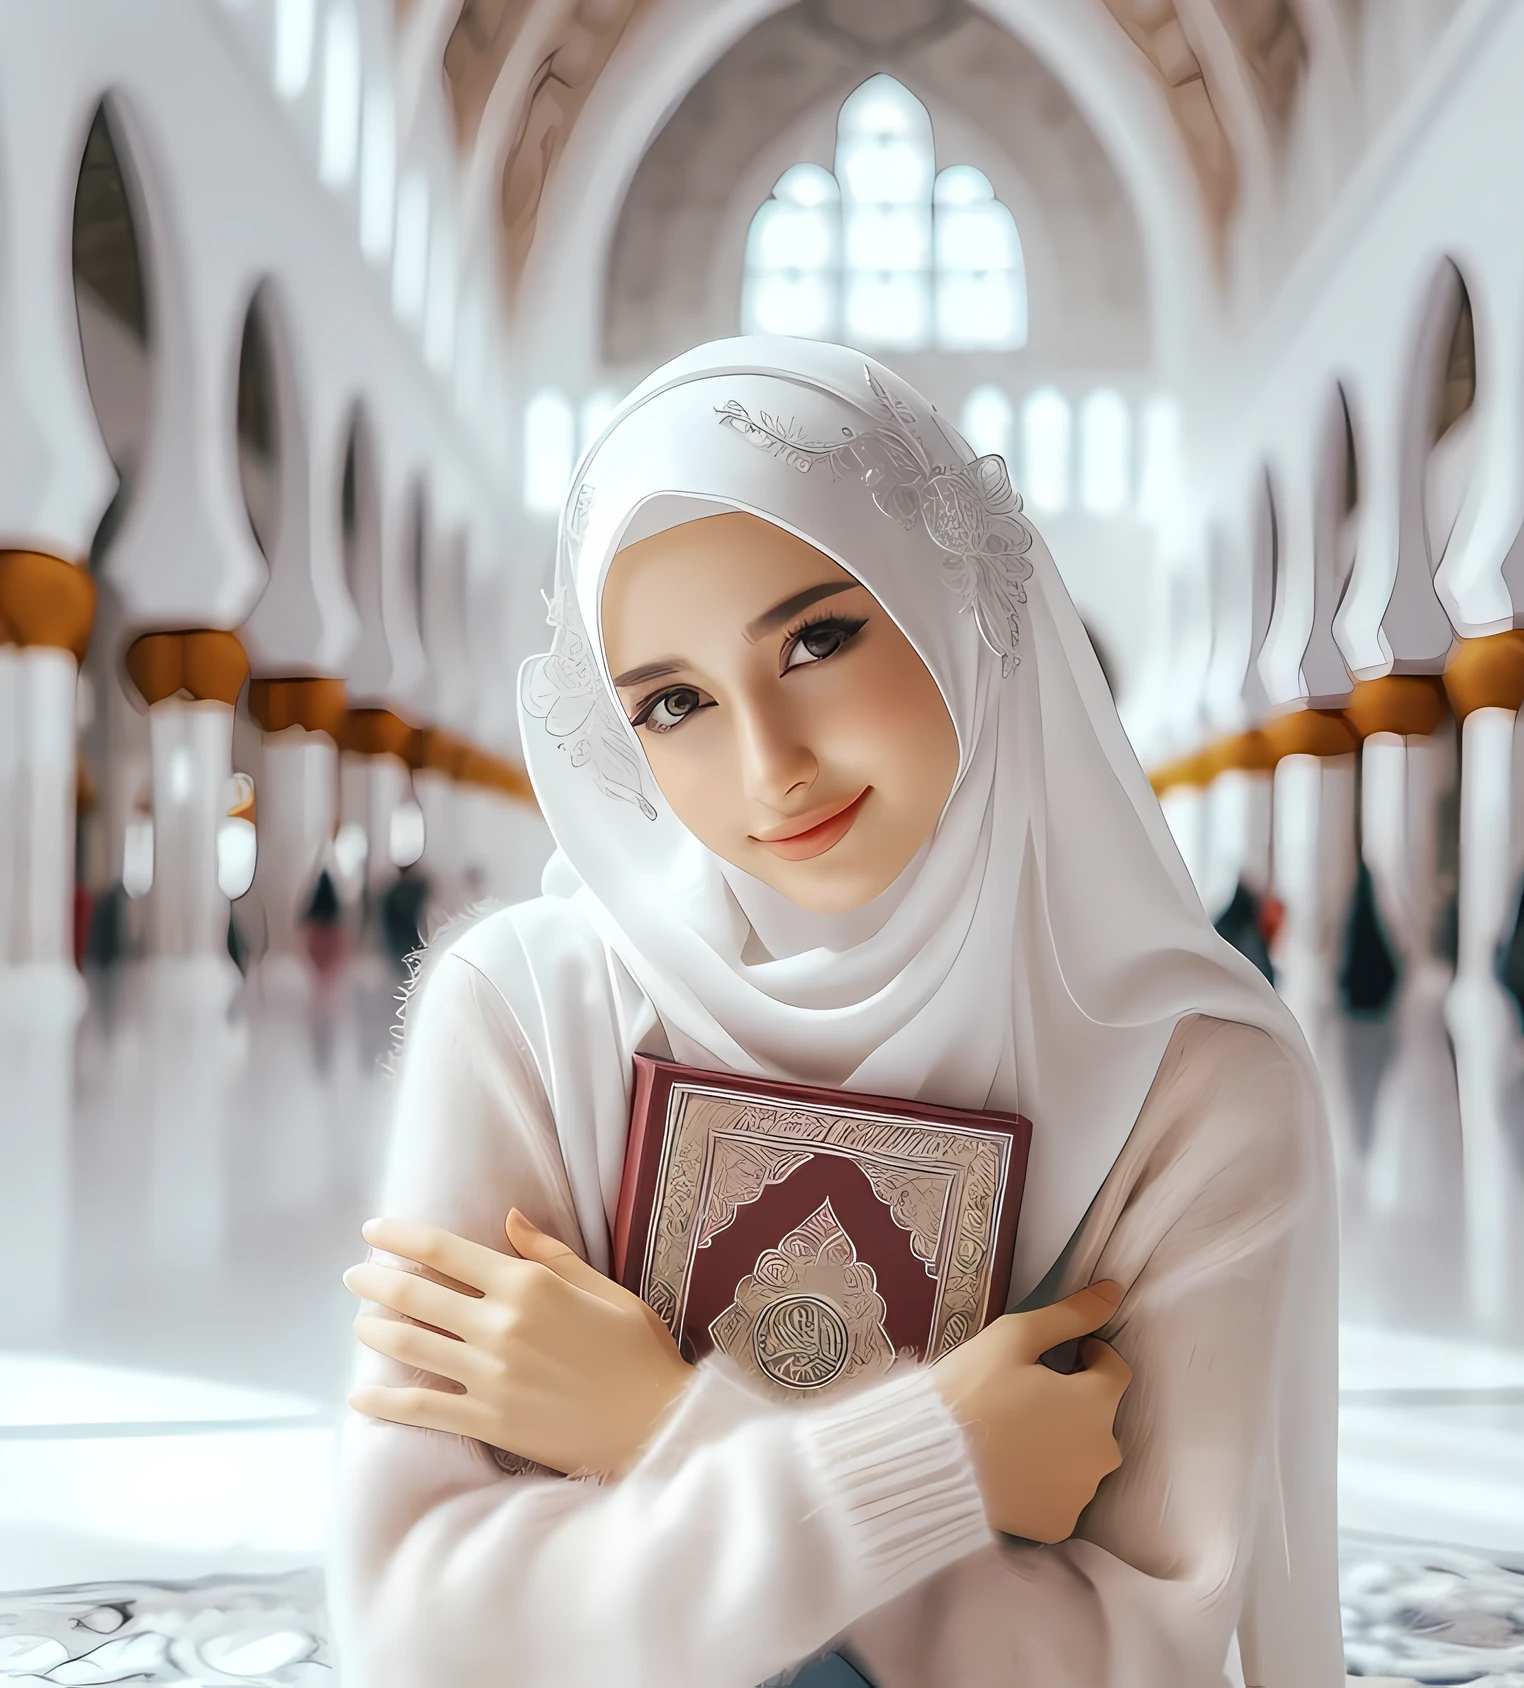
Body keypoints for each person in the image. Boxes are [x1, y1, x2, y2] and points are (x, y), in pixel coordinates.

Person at [331, 338, 1341, 1687]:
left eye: (819, 638)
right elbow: (420, 1622)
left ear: (959, 610)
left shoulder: (1190, 1091)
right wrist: (940, 1466)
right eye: (675, 703)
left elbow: (1120, 1661)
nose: (769, 767)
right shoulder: (530, 1018)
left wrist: (656, 1424)